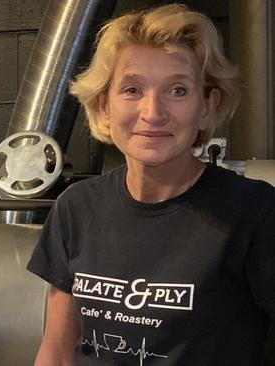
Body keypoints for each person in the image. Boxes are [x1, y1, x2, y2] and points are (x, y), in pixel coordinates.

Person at [27, 3, 275, 365]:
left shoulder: (255, 212)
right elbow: (57, 352)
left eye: (177, 91)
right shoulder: (76, 207)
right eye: (131, 90)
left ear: (207, 106)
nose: (153, 113)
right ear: (103, 108)